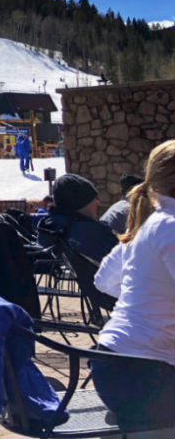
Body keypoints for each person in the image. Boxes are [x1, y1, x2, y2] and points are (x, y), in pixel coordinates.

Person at [92, 140, 175, 429]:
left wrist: (150, 298)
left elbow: (103, 280)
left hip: (115, 368)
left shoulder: (149, 225)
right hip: (144, 379)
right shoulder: (169, 226)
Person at [38, 173, 118, 262]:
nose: (98, 203)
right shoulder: (92, 234)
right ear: (81, 203)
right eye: (95, 198)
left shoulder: (48, 227)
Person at [93, 181, 153, 299]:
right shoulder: (162, 237)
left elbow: (101, 281)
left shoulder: (129, 241)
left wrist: (132, 295)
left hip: (126, 304)